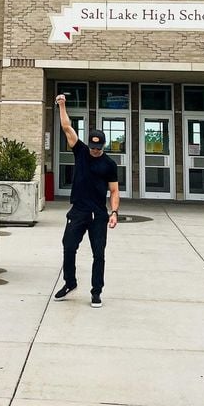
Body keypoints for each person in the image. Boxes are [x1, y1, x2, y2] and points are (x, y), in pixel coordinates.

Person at [53, 93, 120, 308]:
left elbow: (114, 191)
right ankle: (70, 283)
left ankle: (96, 292)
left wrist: (114, 212)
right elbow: (66, 128)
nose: (94, 150)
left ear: (103, 146)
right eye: (92, 146)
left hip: (99, 214)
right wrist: (62, 105)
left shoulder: (109, 164)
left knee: (98, 254)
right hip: (79, 211)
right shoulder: (80, 151)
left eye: (98, 148)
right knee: (69, 247)